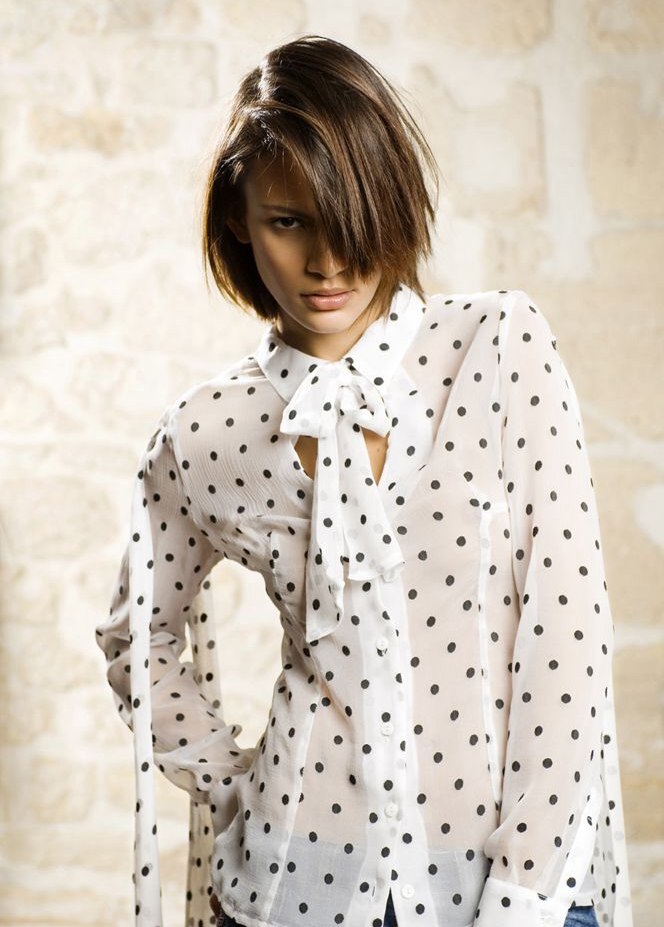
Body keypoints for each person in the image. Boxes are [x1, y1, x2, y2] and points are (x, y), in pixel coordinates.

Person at [95, 34, 633, 927]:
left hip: (516, 890)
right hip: (290, 888)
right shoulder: (204, 431)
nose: (329, 262)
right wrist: (235, 785)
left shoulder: (499, 349)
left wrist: (526, 890)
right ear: (238, 219)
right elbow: (134, 639)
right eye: (288, 221)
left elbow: (566, 636)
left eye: (351, 215)